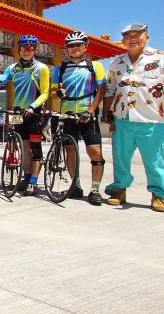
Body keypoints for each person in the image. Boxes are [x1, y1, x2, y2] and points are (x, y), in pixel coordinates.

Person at [102, 23, 164, 212]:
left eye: (137, 35)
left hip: (153, 119)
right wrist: (105, 113)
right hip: (123, 119)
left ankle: (159, 195)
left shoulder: (162, 57)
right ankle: (118, 190)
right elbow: (110, 89)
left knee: (156, 161)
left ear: (147, 37)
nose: (132, 39)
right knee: (120, 159)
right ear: (123, 40)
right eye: (128, 36)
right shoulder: (117, 63)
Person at [50, 31, 107, 205]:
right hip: (67, 115)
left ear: (85, 46)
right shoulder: (59, 69)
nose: (74, 48)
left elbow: (101, 90)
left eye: (78, 45)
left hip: (87, 114)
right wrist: (57, 92)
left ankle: (95, 189)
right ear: (66, 48)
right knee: (70, 151)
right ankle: (76, 186)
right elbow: (53, 93)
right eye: (71, 45)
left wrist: (90, 110)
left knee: (95, 151)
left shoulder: (95, 66)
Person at [0, 34, 50, 197]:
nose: (26, 51)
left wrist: (32, 107)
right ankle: (27, 178)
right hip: (18, 113)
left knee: (35, 149)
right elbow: (3, 79)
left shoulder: (41, 68)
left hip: (33, 113)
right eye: (23, 48)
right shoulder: (13, 68)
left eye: (30, 48)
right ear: (19, 49)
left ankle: (33, 182)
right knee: (24, 148)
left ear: (35, 49)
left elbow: (45, 92)